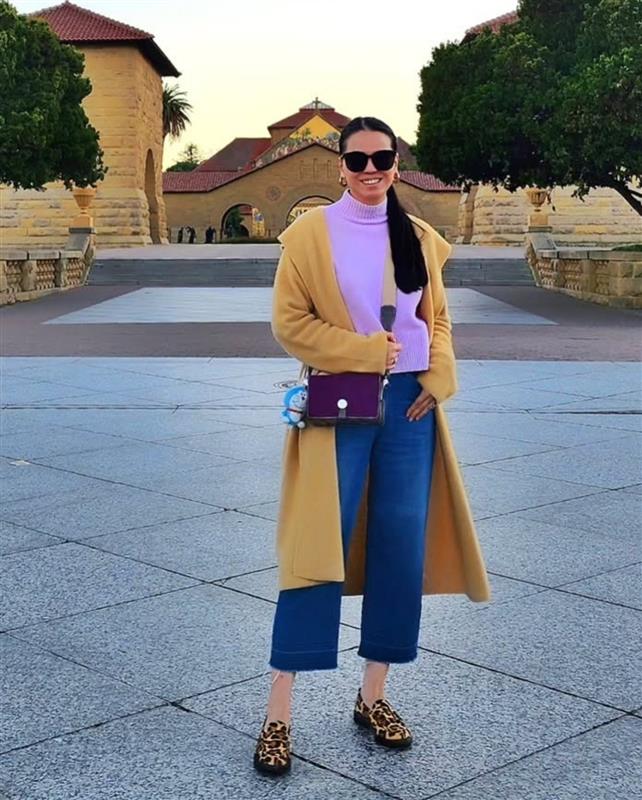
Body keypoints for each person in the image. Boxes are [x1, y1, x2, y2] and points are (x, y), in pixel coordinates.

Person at [253, 117, 491, 777]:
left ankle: (373, 695)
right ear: (339, 166)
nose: (370, 169)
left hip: (410, 406)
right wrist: (361, 352)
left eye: (382, 157)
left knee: (399, 544)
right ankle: (278, 712)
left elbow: (434, 318)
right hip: (342, 402)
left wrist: (439, 375)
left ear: (395, 161)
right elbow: (289, 322)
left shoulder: (417, 237)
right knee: (317, 546)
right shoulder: (308, 236)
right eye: (357, 159)